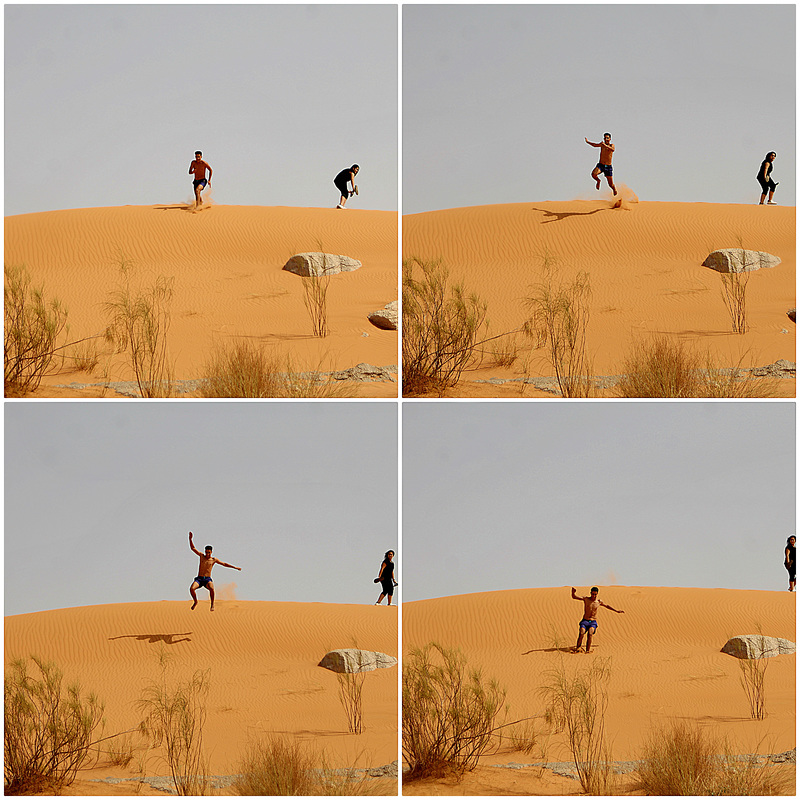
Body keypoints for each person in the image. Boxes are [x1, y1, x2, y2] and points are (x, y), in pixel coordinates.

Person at [188, 531, 241, 611]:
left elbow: (224, 564)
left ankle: (212, 604)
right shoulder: (202, 556)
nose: (207, 554)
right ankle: (195, 602)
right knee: (192, 588)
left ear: (211, 552)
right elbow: (193, 548)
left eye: (209, 552)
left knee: (212, 588)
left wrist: (235, 567)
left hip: (207, 579)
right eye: (206, 552)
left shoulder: (213, 560)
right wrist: (190, 539)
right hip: (199, 578)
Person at [571, 586, 624, 653]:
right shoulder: (586, 599)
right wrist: (573, 593)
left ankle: (587, 650)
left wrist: (616, 611)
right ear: (590, 593)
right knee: (581, 633)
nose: (594, 595)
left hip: (592, 622)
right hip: (585, 621)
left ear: (597, 594)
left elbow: (607, 606)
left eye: (595, 594)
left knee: (590, 634)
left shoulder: (599, 602)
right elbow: (574, 597)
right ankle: (578, 648)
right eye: (592, 594)